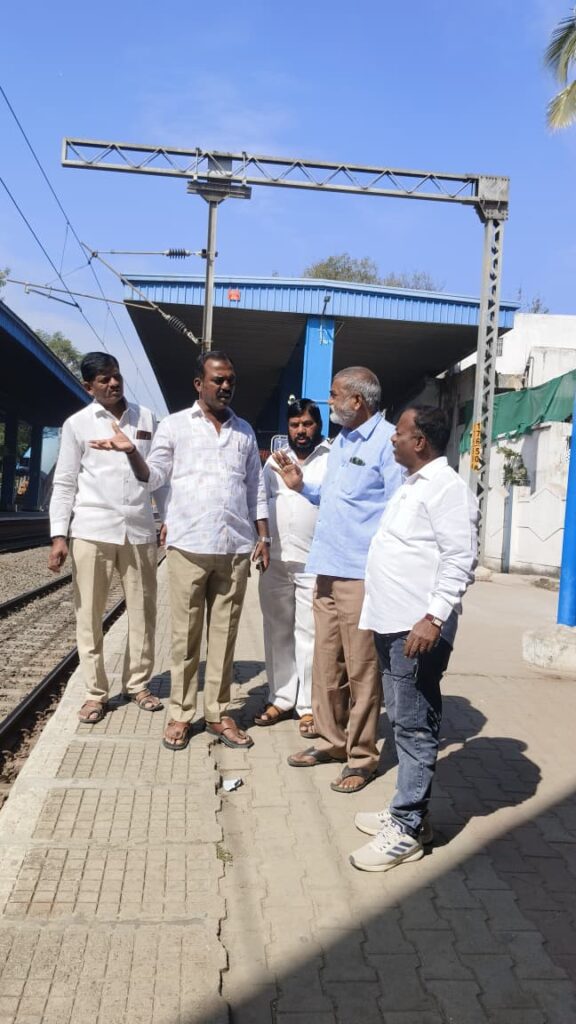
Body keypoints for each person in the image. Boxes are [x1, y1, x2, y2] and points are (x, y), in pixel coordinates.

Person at [90, 350, 270, 753]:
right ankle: (181, 714)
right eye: (218, 380)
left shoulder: (244, 431)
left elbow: (255, 488)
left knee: (224, 637)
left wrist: (264, 536)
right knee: (184, 639)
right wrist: (131, 452)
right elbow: (154, 477)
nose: (226, 386)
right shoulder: (174, 426)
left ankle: (218, 712)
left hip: (234, 548)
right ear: (199, 384)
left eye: (230, 380)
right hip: (189, 546)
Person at [349, 405, 478, 872]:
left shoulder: (447, 488)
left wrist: (434, 618)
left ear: (419, 441)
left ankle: (407, 828)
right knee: (404, 721)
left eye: (400, 433)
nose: (392, 439)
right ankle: (408, 810)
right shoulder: (413, 484)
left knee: (415, 725)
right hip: (392, 623)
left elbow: (460, 558)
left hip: (417, 629)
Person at [274, 367, 403, 792]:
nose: (329, 402)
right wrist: (302, 488)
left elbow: (398, 509)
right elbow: (335, 499)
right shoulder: (342, 442)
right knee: (326, 663)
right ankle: (333, 741)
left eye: (334, 395)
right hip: (325, 568)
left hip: (360, 575)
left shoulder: (388, 443)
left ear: (357, 401)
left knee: (362, 669)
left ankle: (362, 757)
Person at [48, 352, 164, 723]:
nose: (113, 383)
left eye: (116, 376)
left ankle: (138, 685)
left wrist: (168, 518)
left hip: (139, 529)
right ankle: (95, 693)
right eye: (103, 380)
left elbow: (160, 475)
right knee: (89, 614)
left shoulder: (146, 419)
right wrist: (58, 535)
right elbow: (65, 482)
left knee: (144, 611)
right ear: (89, 387)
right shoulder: (77, 424)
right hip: (92, 530)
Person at [255, 399, 330, 738]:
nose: (301, 431)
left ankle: (308, 706)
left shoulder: (331, 459)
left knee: (309, 635)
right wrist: (262, 542)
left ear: (319, 426)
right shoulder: (274, 461)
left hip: (314, 562)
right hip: (276, 560)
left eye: (307, 424)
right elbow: (260, 504)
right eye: (295, 424)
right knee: (277, 631)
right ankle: (281, 698)